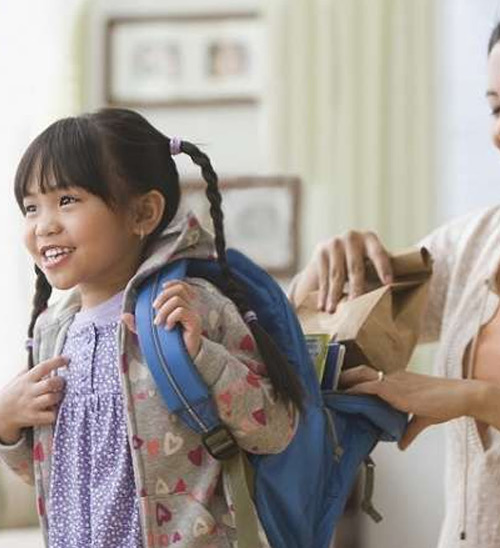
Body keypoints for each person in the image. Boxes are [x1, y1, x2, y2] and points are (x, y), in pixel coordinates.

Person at [0, 108, 301, 548]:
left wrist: (205, 358)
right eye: (30, 207)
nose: (43, 224)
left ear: (143, 212)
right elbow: (50, 477)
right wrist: (7, 424)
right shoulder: (52, 331)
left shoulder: (189, 306)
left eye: (66, 200)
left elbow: (273, 430)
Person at [289, 20, 500, 548]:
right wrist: (321, 277)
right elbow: (335, 334)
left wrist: (473, 397)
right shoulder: (475, 242)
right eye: (496, 106)